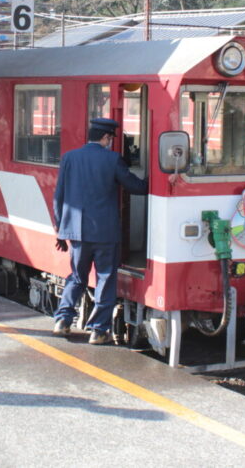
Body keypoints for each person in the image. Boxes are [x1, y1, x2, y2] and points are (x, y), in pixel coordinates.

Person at [52, 117, 148, 345]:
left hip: (76, 232)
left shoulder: (69, 158)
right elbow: (136, 187)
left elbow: (59, 196)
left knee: (77, 276)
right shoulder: (112, 159)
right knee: (105, 278)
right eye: (110, 138)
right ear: (106, 137)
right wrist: (161, 179)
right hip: (105, 233)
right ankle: (99, 331)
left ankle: (63, 320)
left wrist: (60, 230)